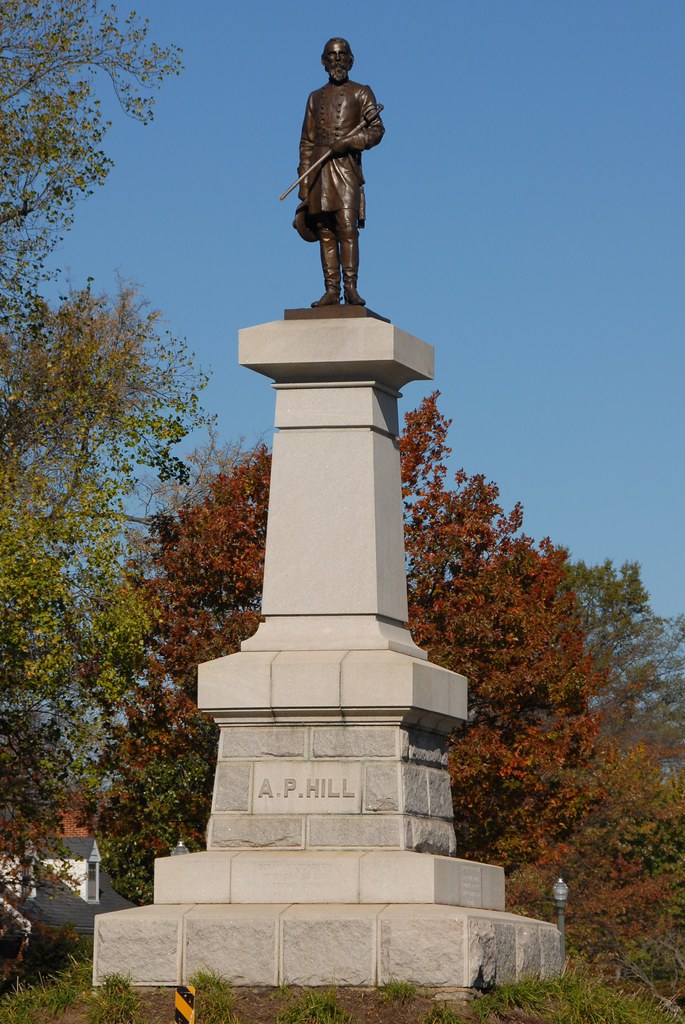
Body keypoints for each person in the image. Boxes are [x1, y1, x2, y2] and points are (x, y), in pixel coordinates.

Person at [295, 38, 384, 307]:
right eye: (331, 56)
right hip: (319, 170)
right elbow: (306, 141)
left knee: (347, 228)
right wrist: (303, 179)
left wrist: (349, 142)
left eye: (341, 55)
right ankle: (331, 289)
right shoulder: (314, 97)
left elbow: (376, 130)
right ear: (324, 61)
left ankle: (351, 288)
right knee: (324, 231)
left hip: (346, 169)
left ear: (350, 60)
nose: (336, 60)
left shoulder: (362, 93)